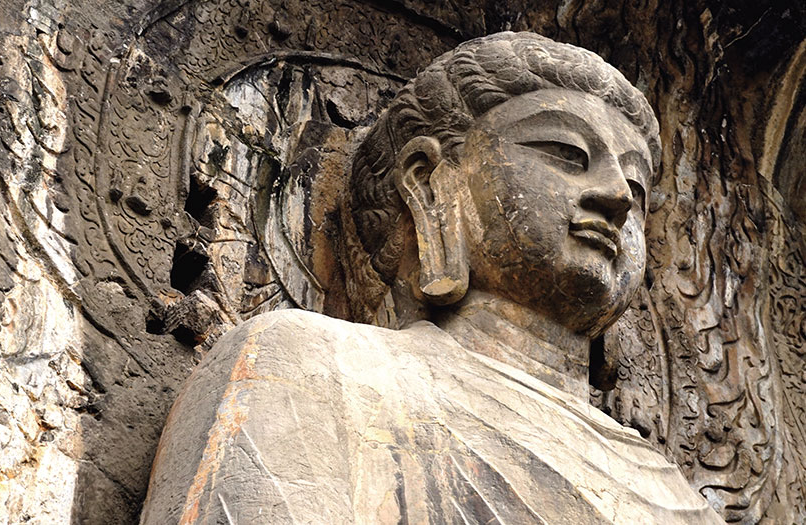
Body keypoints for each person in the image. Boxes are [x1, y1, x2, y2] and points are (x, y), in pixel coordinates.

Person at [140, 32, 725, 524]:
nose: (618, 196)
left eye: (637, 185)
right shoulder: (314, 368)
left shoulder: (680, 499)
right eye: (565, 152)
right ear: (427, 182)